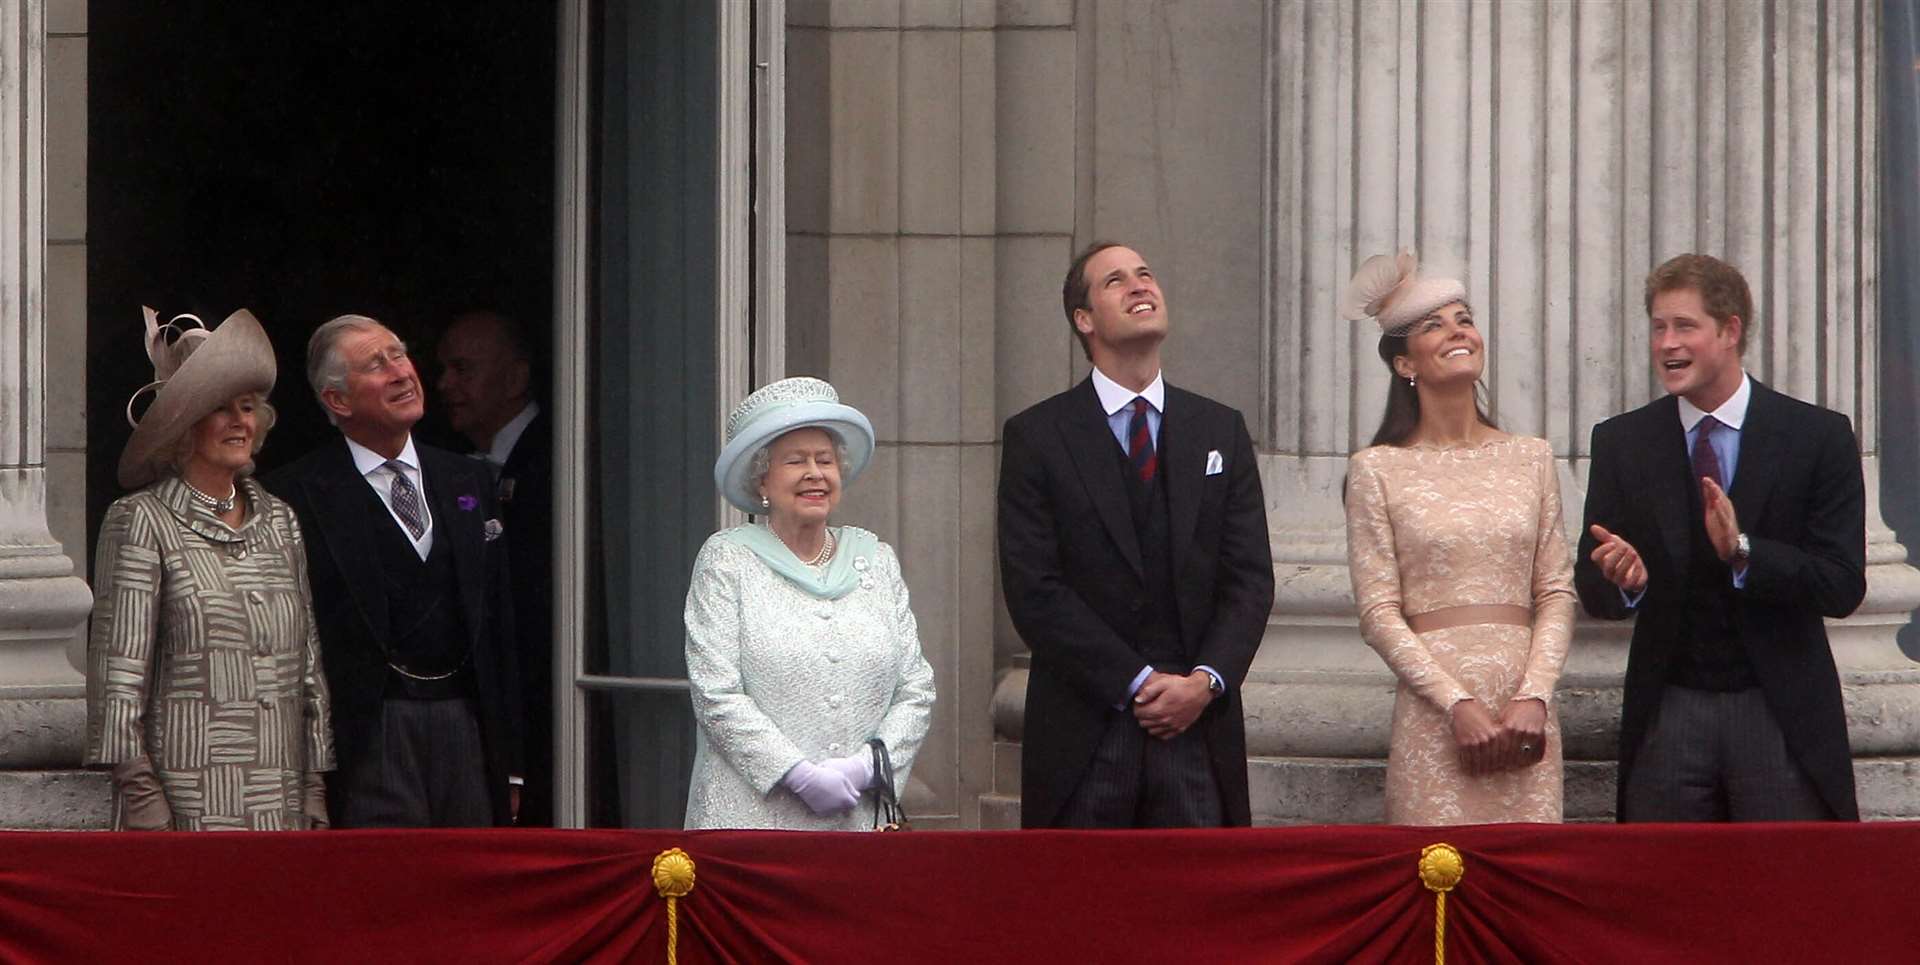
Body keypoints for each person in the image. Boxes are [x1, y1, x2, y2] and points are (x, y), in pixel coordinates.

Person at [1576, 254, 1864, 822]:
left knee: (1785, 891)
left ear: (1730, 331)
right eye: (1658, 327)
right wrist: (1624, 580)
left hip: (1778, 709)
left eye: (1684, 326)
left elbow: (1841, 584)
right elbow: (1594, 586)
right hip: (1670, 709)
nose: (1666, 344)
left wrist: (1743, 552)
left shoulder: (1815, 437)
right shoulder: (1623, 442)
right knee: (1666, 894)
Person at [998, 242, 1274, 829]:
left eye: (1146, 274)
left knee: (1201, 909)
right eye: (1116, 281)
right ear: (1085, 319)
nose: (1140, 286)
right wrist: (1138, 682)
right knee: (1086, 909)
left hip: (1199, 725)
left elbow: (1249, 578)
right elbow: (1034, 588)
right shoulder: (1038, 436)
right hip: (1086, 726)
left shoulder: (1218, 428)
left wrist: (1204, 682)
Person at [1339, 252, 1575, 825]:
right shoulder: (1377, 469)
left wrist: (1535, 695)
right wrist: (1456, 702)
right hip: (1435, 717)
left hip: (1526, 717)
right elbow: (1378, 612)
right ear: (1403, 364)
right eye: (1433, 324)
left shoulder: (1531, 457)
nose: (1457, 331)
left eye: (1463, 317)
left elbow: (1556, 592)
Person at [266, 314, 523, 828]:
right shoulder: (294, 495)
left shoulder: (467, 478)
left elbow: (500, 626)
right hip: (367, 734)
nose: (402, 371)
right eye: (376, 365)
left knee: (468, 888)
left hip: (465, 727)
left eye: (399, 354)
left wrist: (511, 764)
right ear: (338, 401)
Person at [85, 307, 335, 830]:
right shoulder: (141, 520)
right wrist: (143, 799)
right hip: (185, 804)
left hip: (282, 802)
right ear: (183, 426)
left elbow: (308, 666)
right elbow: (118, 675)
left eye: (247, 407)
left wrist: (314, 786)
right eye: (220, 408)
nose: (239, 421)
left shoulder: (280, 520)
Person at [683, 376, 935, 830]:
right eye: (795, 461)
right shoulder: (727, 560)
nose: (815, 473)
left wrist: (866, 768)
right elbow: (715, 692)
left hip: (858, 824)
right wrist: (795, 774)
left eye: (825, 460)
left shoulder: (876, 560)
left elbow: (916, 688)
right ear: (762, 478)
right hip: (752, 828)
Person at [436, 309, 555, 826]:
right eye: (444, 370)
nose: (445, 385)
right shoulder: (460, 468)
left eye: (463, 370)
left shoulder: (556, 457)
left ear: (515, 379)